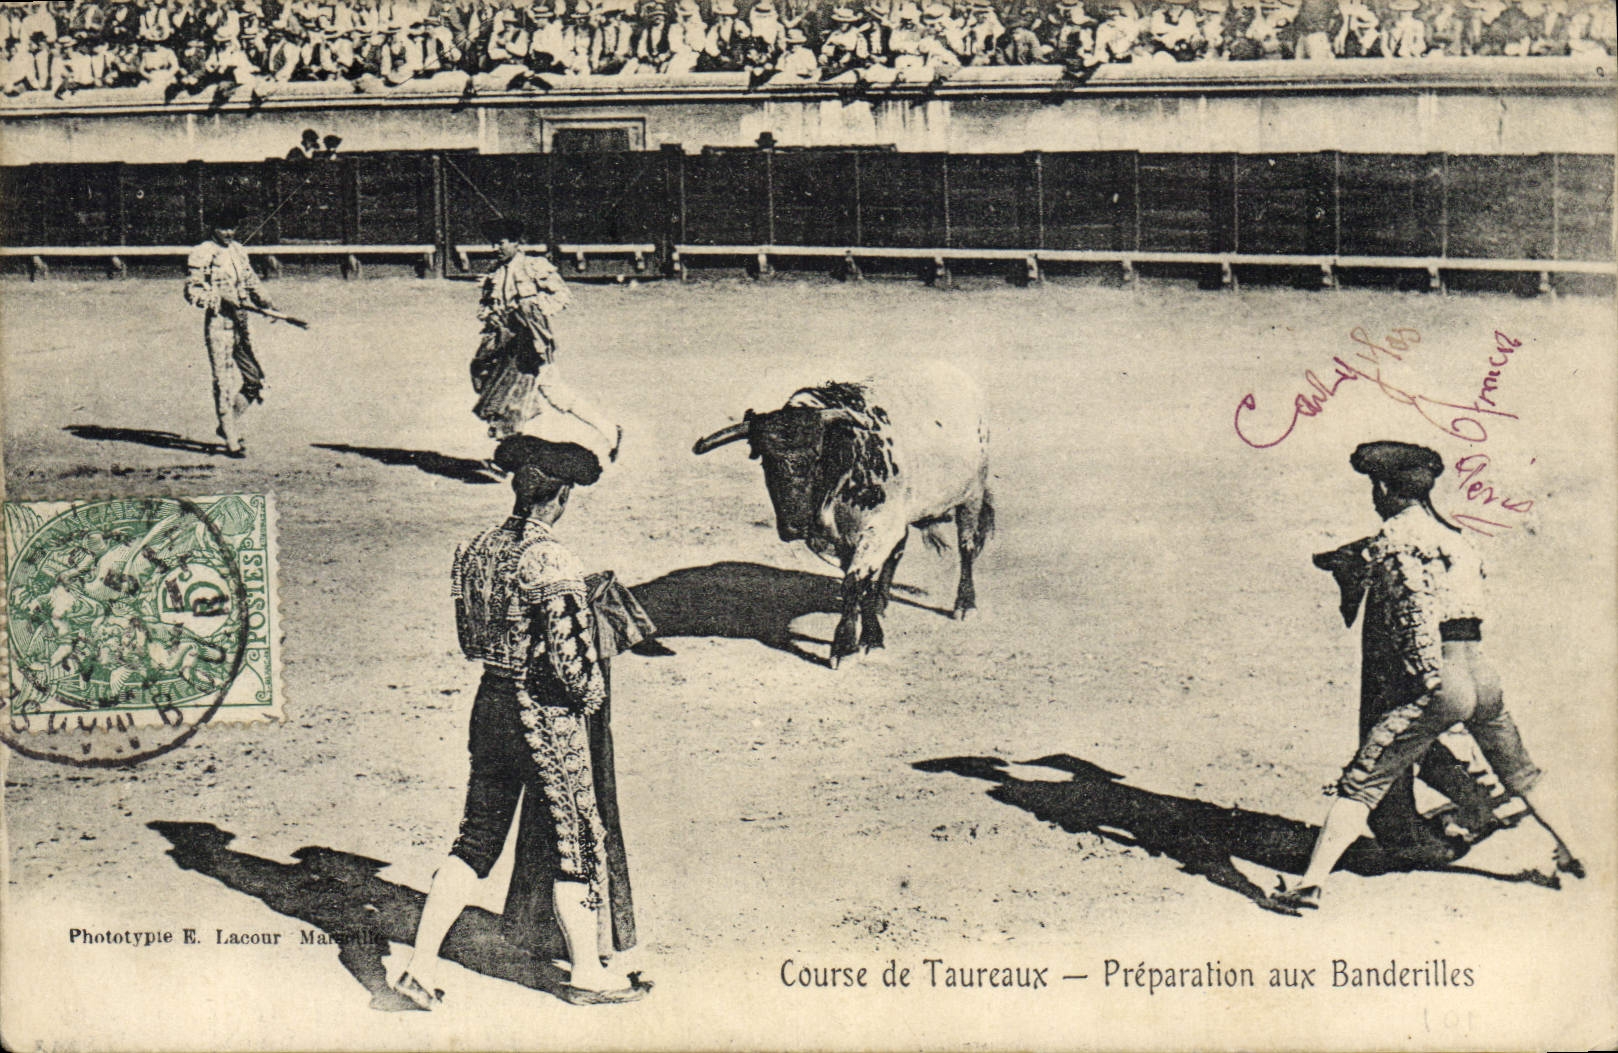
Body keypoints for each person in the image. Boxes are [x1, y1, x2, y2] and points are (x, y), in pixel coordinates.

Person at [1271, 442, 1585, 912]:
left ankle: (1309, 885)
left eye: (1372, 489)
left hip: (1445, 677)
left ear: (1381, 488)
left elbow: (1413, 620)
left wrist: (1427, 686)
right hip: (1483, 673)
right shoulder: (1457, 536)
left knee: (1363, 780)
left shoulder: (1393, 541)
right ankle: (1576, 852)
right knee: (1521, 772)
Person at [393, 434, 650, 1009]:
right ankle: (587, 971)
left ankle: (418, 964)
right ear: (559, 497)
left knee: (477, 837)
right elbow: (569, 654)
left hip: (489, 702)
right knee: (576, 837)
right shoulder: (552, 557)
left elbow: (469, 639)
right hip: (541, 713)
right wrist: (588, 696)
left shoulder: (473, 549)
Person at [470, 217, 621, 461]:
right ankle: (609, 430)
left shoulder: (533, 267)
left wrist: (533, 311)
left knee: (515, 396)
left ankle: (506, 456)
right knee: (546, 394)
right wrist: (492, 317)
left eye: (502, 242)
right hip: (506, 346)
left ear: (517, 243)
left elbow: (562, 295)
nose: (496, 248)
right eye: (494, 243)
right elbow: (485, 307)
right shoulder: (494, 273)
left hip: (531, 344)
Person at [184, 203, 281, 458]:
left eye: (232, 227)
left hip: (241, 322)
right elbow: (193, 290)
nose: (229, 232)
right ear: (213, 227)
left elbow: (250, 280)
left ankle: (227, 425)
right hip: (219, 323)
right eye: (223, 227)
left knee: (255, 380)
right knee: (223, 380)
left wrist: (266, 302)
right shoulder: (203, 252)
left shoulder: (238, 250)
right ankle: (230, 438)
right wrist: (219, 297)